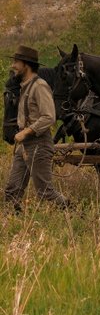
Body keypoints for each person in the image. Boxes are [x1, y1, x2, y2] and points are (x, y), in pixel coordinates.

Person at [4, 45, 68, 212]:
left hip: (39, 144)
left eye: (16, 62)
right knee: (12, 191)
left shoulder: (39, 86)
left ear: (26, 65)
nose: (13, 66)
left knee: (46, 193)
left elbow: (49, 117)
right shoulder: (24, 86)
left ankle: (75, 215)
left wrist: (25, 132)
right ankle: (15, 222)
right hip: (25, 145)